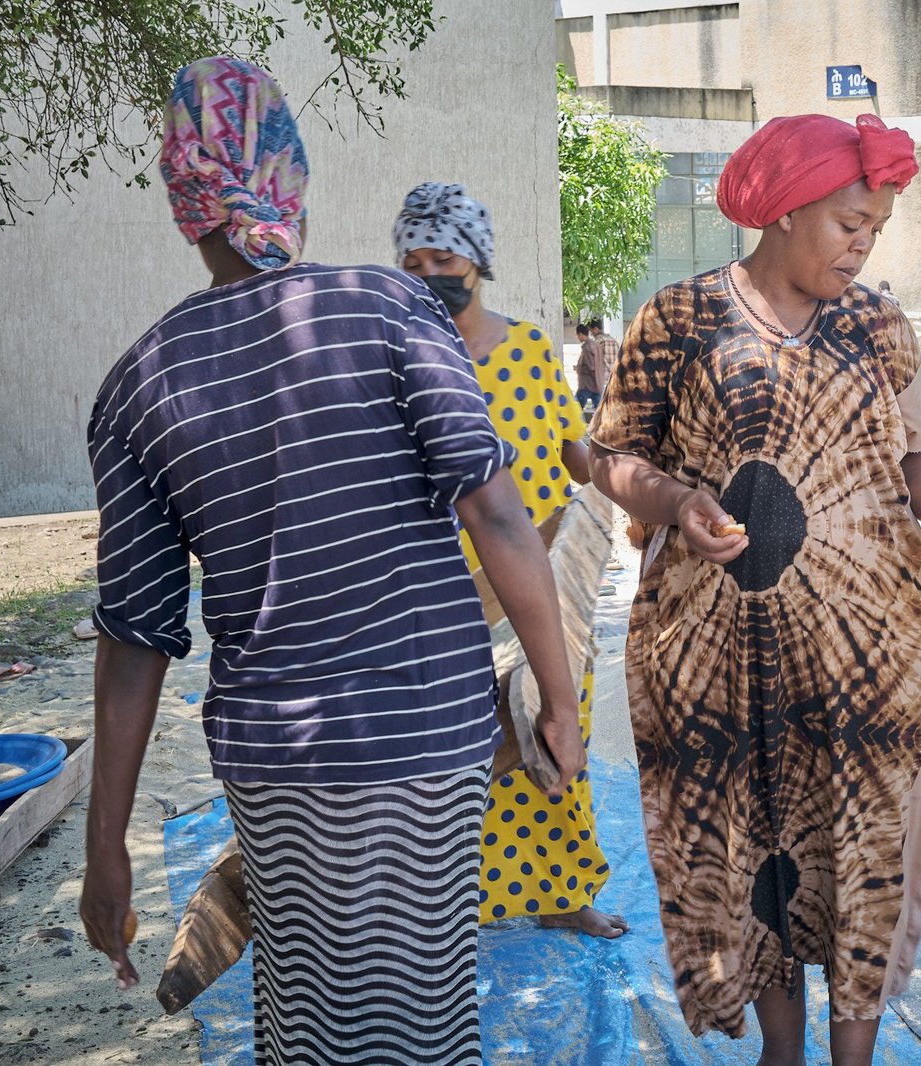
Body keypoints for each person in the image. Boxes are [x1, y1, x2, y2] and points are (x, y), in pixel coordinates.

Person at [78, 57, 585, 1064]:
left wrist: (107, 852)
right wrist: (559, 699)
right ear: (293, 183)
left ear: (182, 204)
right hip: (425, 736)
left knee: (307, 1013)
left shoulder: (139, 382)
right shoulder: (389, 309)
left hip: (276, 761)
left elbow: (135, 639)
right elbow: (497, 511)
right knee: (424, 1015)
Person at [588, 113, 921, 1065]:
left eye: (876, 228)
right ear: (784, 210)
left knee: (861, 851)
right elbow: (602, 456)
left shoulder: (880, 327)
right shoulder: (678, 321)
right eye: (850, 221)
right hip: (719, 665)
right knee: (757, 849)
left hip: (866, 660)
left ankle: (853, 1058)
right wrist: (676, 500)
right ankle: (784, 1050)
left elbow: (917, 460)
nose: (863, 244)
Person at [393, 181, 627, 940]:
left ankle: (560, 891)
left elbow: (574, 453)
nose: (432, 273)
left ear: (478, 260)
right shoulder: (399, 360)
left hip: (542, 580)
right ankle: (444, 901)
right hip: (444, 591)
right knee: (455, 749)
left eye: (446, 258)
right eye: (415, 261)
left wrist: (636, 486)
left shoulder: (527, 349)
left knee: (554, 730)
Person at [575, 318, 617, 410]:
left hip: (598, 378)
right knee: (603, 406)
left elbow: (592, 364)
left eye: (591, 331)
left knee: (577, 405)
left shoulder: (595, 343)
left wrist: (578, 368)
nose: (591, 333)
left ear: (595, 329)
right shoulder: (613, 340)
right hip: (612, 377)